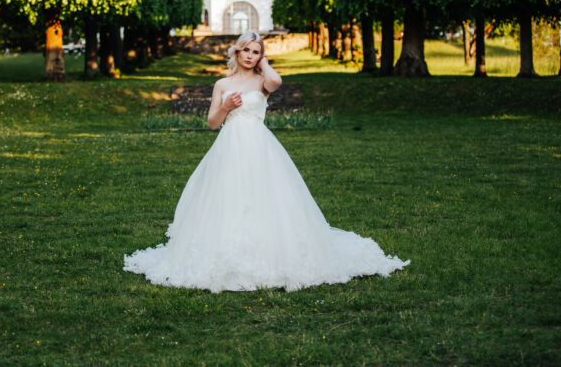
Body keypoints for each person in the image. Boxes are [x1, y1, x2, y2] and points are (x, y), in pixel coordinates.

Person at [124, 31, 409, 292]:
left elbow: (276, 82)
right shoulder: (222, 83)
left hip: (260, 145)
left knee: (266, 197)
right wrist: (225, 106)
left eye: (256, 51)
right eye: (246, 50)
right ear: (237, 52)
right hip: (230, 146)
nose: (250, 55)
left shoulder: (262, 81)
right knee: (228, 197)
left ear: (261, 56)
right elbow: (212, 123)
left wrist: (266, 64)